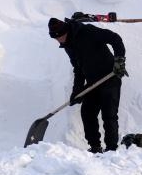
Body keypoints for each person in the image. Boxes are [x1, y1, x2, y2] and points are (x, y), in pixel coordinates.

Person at [48, 16, 127, 153]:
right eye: (56, 39)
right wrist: (76, 91)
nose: (58, 41)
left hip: (110, 77)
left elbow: (115, 38)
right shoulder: (69, 46)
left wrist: (119, 60)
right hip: (92, 83)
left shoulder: (87, 31)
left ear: (65, 32)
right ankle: (95, 147)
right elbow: (78, 70)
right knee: (87, 112)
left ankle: (111, 149)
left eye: (59, 37)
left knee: (109, 114)